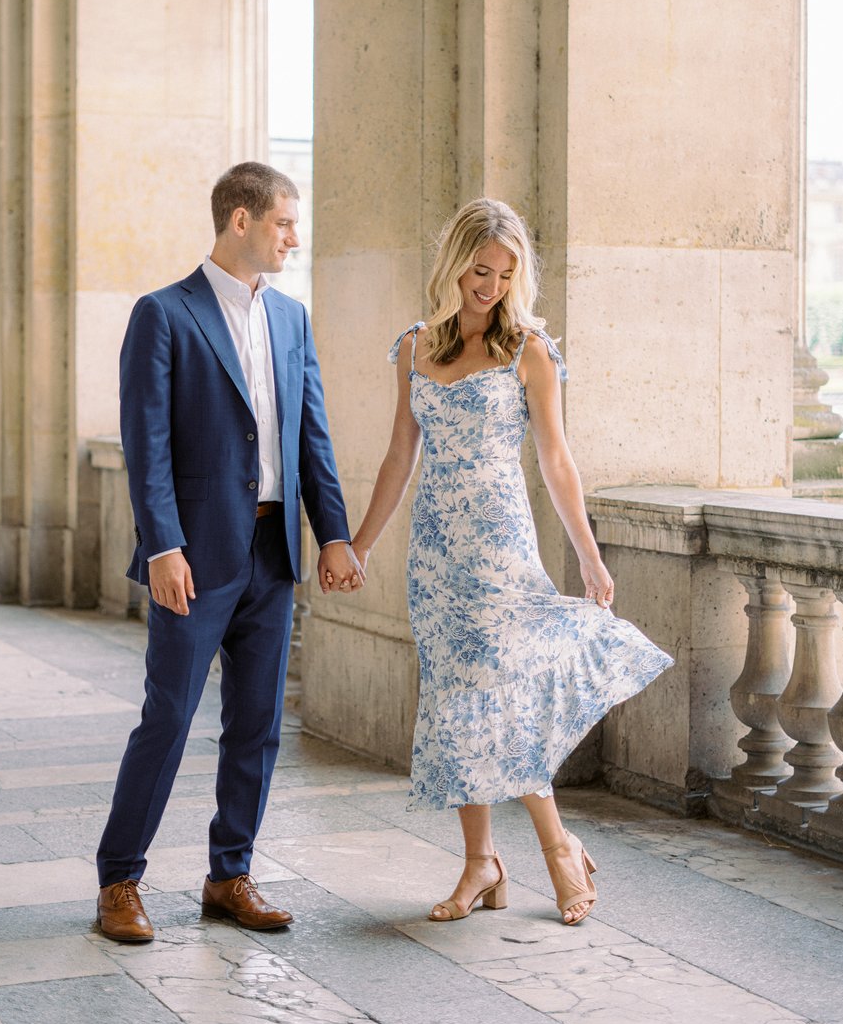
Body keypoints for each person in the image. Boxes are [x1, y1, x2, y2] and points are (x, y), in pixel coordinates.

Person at [350, 198, 672, 926]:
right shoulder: (413, 348)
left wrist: (588, 555)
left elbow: (556, 461)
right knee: (460, 701)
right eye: (479, 270)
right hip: (435, 556)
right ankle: (481, 864)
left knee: (506, 696)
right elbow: (400, 455)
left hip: (501, 550)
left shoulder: (529, 350)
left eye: (503, 274)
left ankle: (556, 845)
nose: (489, 285)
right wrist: (363, 540)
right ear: (454, 263)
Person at [96, 161, 364, 942]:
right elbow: (144, 444)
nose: (294, 236)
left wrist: (335, 531)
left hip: (273, 550)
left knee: (258, 722)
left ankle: (229, 873)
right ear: (240, 220)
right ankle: (119, 879)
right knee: (170, 716)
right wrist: (162, 545)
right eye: (284, 221)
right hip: (195, 554)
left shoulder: (292, 319)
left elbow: (310, 434)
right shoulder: (164, 314)